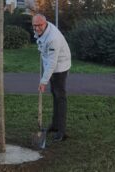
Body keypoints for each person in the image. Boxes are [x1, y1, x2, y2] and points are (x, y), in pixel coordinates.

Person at [32, 14, 71, 142]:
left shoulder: (53, 38)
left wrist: (43, 81)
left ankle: (62, 131)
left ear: (45, 23)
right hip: (50, 63)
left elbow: (53, 64)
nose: (37, 28)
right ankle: (55, 125)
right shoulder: (43, 30)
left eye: (39, 25)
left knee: (60, 97)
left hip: (60, 67)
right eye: (34, 25)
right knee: (54, 94)